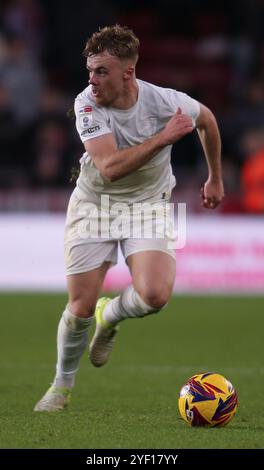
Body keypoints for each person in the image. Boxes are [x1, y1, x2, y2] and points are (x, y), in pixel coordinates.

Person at [34, 25, 224, 411]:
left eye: (102, 71)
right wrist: (163, 138)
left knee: (155, 295)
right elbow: (108, 168)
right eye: (90, 70)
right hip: (95, 204)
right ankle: (60, 387)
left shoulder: (165, 101)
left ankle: (112, 315)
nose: (92, 80)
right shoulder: (86, 104)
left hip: (148, 205)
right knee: (80, 306)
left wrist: (215, 177)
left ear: (128, 73)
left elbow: (206, 120)